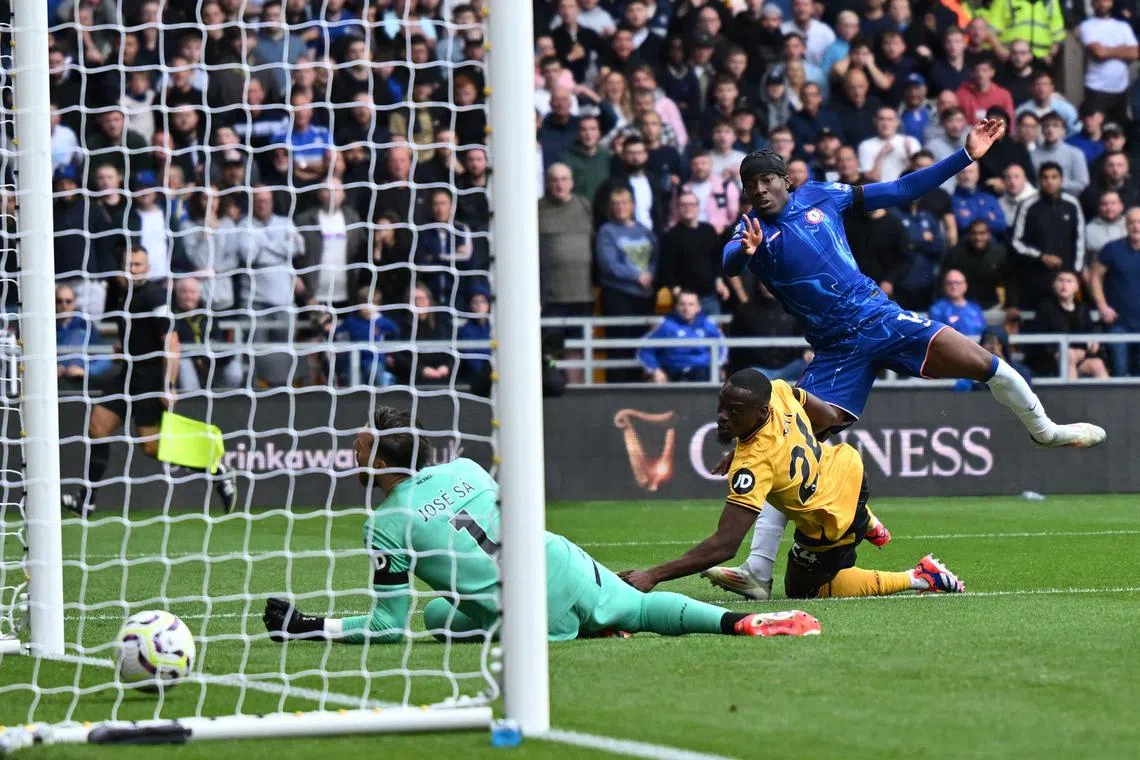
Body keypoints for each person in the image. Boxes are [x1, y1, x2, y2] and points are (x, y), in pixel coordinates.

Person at [716, 127, 1105, 599]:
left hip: (881, 318)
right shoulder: (750, 231)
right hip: (837, 348)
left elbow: (900, 190)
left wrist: (964, 156)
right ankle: (758, 571)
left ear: (786, 181)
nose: (758, 190)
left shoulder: (822, 195)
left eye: (766, 181)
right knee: (789, 440)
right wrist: (743, 253)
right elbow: (730, 260)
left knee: (985, 361)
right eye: (749, 184)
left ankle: (1044, 430)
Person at [262, 407, 823, 643]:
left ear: (382, 463)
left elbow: (388, 627)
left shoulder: (385, 523)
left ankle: (584, 627)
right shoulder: (466, 466)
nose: (351, 450)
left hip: (527, 612)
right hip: (560, 558)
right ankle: (742, 623)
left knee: (435, 615)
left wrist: (313, 626)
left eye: (359, 445)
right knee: (642, 605)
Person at [619, 371, 965, 600]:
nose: (723, 415)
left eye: (735, 410)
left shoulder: (754, 464)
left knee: (805, 591)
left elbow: (724, 545)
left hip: (830, 520)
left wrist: (654, 575)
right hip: (846, 466)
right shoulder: (782, 390)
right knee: (777, 490)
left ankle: (920, 576)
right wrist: (780, 446)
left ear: (760, 411)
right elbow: (830, 419)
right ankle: (866, 520)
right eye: (721, 406)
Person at [60, 247, 237, 517]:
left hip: (150, 378)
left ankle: (217, 471)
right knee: (97, 426)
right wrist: (125, 349)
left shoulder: (155, 296)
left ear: (148, 269)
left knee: (151, 446)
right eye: (129, 264)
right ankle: (87, 501)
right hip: (128, 373)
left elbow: (171, 341)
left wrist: (169, 384)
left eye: (139, 265)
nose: (133, 269)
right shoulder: (123, 294)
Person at [1011, 162, 1085, 310]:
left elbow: (1080, 241)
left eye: (1054, 177)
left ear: (1061, 180)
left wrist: (1075, 273)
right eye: (1045, 177)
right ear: (1039, 181)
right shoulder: (1028, 205)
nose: (1050, 181)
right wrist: (1041, 256)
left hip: (1067, 280)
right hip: (1036, 279)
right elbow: (1016, 242)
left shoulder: (1072, 204)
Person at [658, 192, 728, 316]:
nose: (687, 207)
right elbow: (666, 268)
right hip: (684, 301)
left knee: (712, 334)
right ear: (678, 208)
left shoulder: (709, 231)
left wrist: (719, 281)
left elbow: (717, 260)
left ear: (698, 207)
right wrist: (677, 291)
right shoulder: (670, 236)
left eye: (691, 204)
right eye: (683, 204)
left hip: (709, 297)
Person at [1031, 270, 1109, 380]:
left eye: (1069, 281)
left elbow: (1089, 333)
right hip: (1050, 358)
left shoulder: (1083, 308)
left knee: (1097, 364)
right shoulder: (1045, 308)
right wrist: (1060, 350)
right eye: (1061, 280)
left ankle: (1109, 397)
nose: (1064, 285)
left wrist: (1092, 344)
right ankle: (1072, 396)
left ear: (1077, 286)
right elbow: (1040, 339)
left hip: (1081, 355)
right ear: (1053, 285)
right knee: (1069, 355)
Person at [1090, 208, 1140, 378]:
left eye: (1139, 222)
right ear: (1125, 225)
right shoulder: (1112, 249)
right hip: (1118, 323)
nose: (1136, 226)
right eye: (1132, 222)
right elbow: (1095, 277)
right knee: (1119, 373)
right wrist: (1102, 306)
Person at [638, 291, 726, 383]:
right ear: (676, 307)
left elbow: (722, 348)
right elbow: (644, 350)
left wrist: (717, 366)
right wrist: (655, 370)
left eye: (691, 304)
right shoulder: (666, 325)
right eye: (682, 304)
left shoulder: (708, 324)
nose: (686, 308)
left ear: (698, 307)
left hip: (702, 371)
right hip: (672, 371)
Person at [1077, 0, 1138, 127]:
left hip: (1121, 89)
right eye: (1098, 1)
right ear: (1092, 4)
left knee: (1119, 133)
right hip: (1096, 89)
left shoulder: (1123, 26)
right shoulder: (1087, 26)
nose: (1102, 3)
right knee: (1095, 131)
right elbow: (1099, 53)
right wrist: (1123, 49)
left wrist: (1107, 50)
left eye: (1105, 0)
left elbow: (1135, 53)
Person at [941, 220, 1015, 311]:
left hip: (992, 305)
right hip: (962, 308)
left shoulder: (999, 253)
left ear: (989, 234)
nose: (978, 237)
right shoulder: (956, 253)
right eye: (974, 233)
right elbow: (944, 280)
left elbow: (1010, 281)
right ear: (969, 235)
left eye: (982, 233)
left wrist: (1012, 305)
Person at [929, 269, 987, 337]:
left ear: (965, 285)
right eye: (949, 283)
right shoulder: (937, 309)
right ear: (944, 286)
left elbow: (983, 329)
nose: (954, 286)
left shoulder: (974, 307)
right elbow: (937, 335)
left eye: (958, 283)